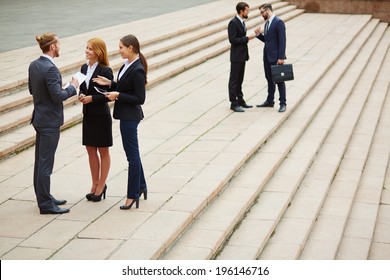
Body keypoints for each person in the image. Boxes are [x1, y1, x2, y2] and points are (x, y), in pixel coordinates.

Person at [93, 34, 147, 210]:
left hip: (130, 117)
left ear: (131, 48)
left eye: (121, 47)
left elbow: (140, 98)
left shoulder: (138, 69)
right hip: (125, 115)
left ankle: (132, 195)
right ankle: (141, 186)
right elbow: (124, 86)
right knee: (134, 154)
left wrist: (118, 95)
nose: (119, 50)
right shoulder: (127, 65)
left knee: (132, 157)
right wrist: (110, 84)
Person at [29, 32, 80, 214]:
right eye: (58, 44)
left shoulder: (34, 65)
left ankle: (44, 196)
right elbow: (57, 97)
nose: (59, 47)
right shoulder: (50, 68)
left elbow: (32, 90)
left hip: (39, 118)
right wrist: (73, 87)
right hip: (49, 121)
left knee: (40, 161)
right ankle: (45, 204)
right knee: (45, 163)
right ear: (52, 47)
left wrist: (59, 89)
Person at [78, 38, 114, 202]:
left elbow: (108, 96)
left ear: (98, 51)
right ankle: (94, 184)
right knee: (90, 150)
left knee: (103, 151)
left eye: (90, 49)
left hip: (101, 115)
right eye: (86, 48)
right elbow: (83, 87)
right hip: (88, 115)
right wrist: (82, 96)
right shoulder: (84, 68)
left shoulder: (106, 70)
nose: (86, 51)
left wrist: (92, 98)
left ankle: (101, 185)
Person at [256, 3, 287, 113]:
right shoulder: (267, 24)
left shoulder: (278, 22)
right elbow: (268, 41)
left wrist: (281, 57)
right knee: (269, 79)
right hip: (267, 56)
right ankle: (270, 101)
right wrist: (259, 35)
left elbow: (282, 41)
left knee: (279, 80)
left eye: (262, 12)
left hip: (276, 57)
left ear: (268, 10)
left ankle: (283, 103)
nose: (261, 14)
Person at [227, 2, 256, 113]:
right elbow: (232, 40)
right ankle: (233, 103)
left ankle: (240, 100)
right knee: (234, 80)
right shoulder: (233, 23)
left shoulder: (242, 22)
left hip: (242, 56)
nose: (248, 12)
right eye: (246, 11)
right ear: (241, 11)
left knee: (240, 79)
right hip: (236, 57)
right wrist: (247, 38)